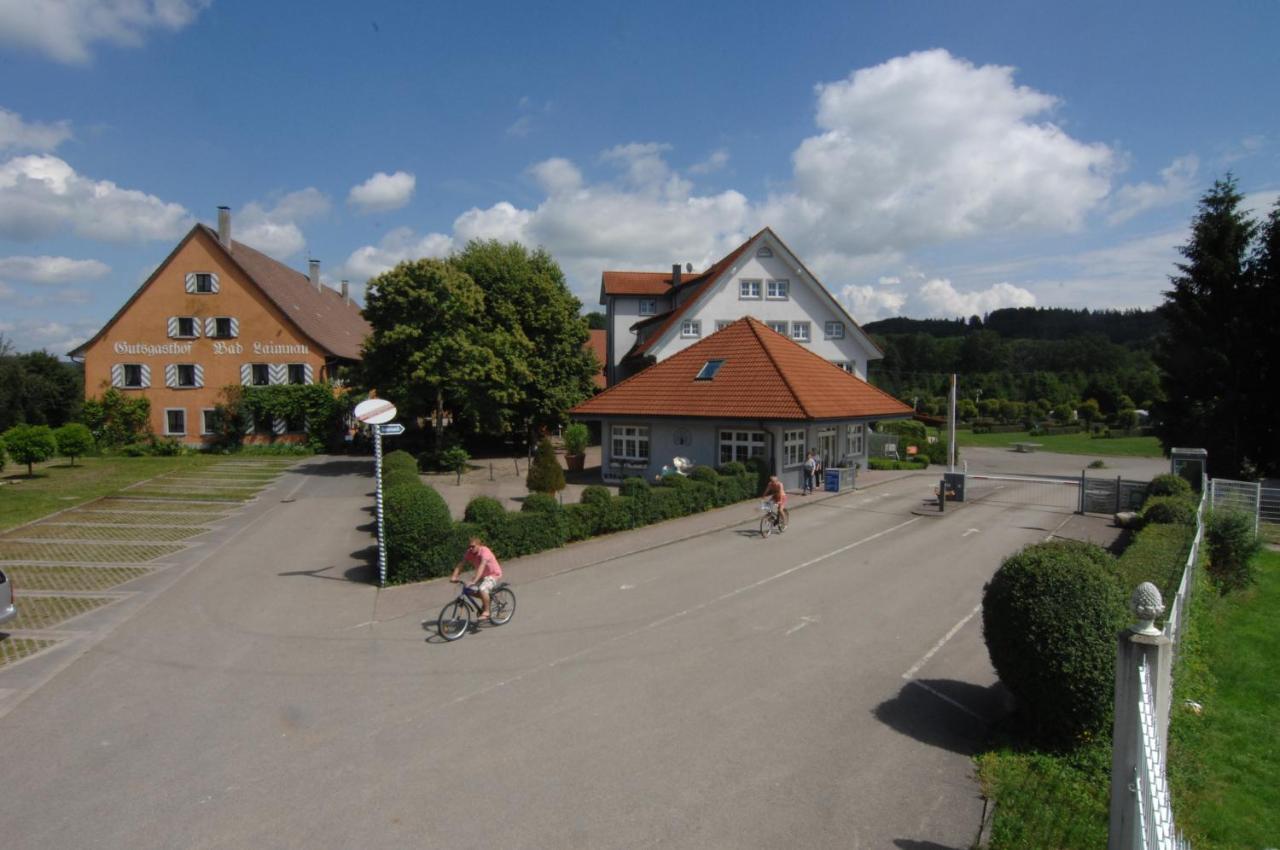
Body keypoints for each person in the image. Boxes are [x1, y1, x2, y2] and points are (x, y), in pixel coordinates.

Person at [450, 536, 504, 621]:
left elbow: (482, 566)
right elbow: (461, 563)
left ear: (479, 545)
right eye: (469, 546)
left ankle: (486, 612)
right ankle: (487, 599)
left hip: (493, 574)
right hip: (481, 575)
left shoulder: (485, 551)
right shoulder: (469, 552)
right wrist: (454, 576)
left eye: (473, 546)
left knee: (482, 589)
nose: (471, 548)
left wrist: (474, 581)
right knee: (468, 589)